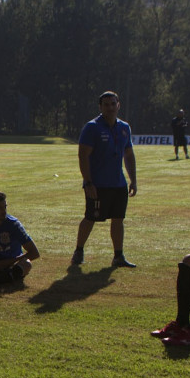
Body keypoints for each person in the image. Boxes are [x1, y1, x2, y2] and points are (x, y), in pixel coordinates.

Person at [71, 91, 137, 268]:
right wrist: (88, 182)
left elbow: (129, 155)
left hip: (118, 184)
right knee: (91, 217)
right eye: (106, 105)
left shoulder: (124, 128)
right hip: (98, 184)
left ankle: (118, 256)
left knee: (118, 219)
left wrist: (133, 180)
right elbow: (83, 156)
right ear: (100, 107)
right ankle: (78, 250)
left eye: (113, 104)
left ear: (118, 105)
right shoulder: (92, 127)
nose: (110, 107)